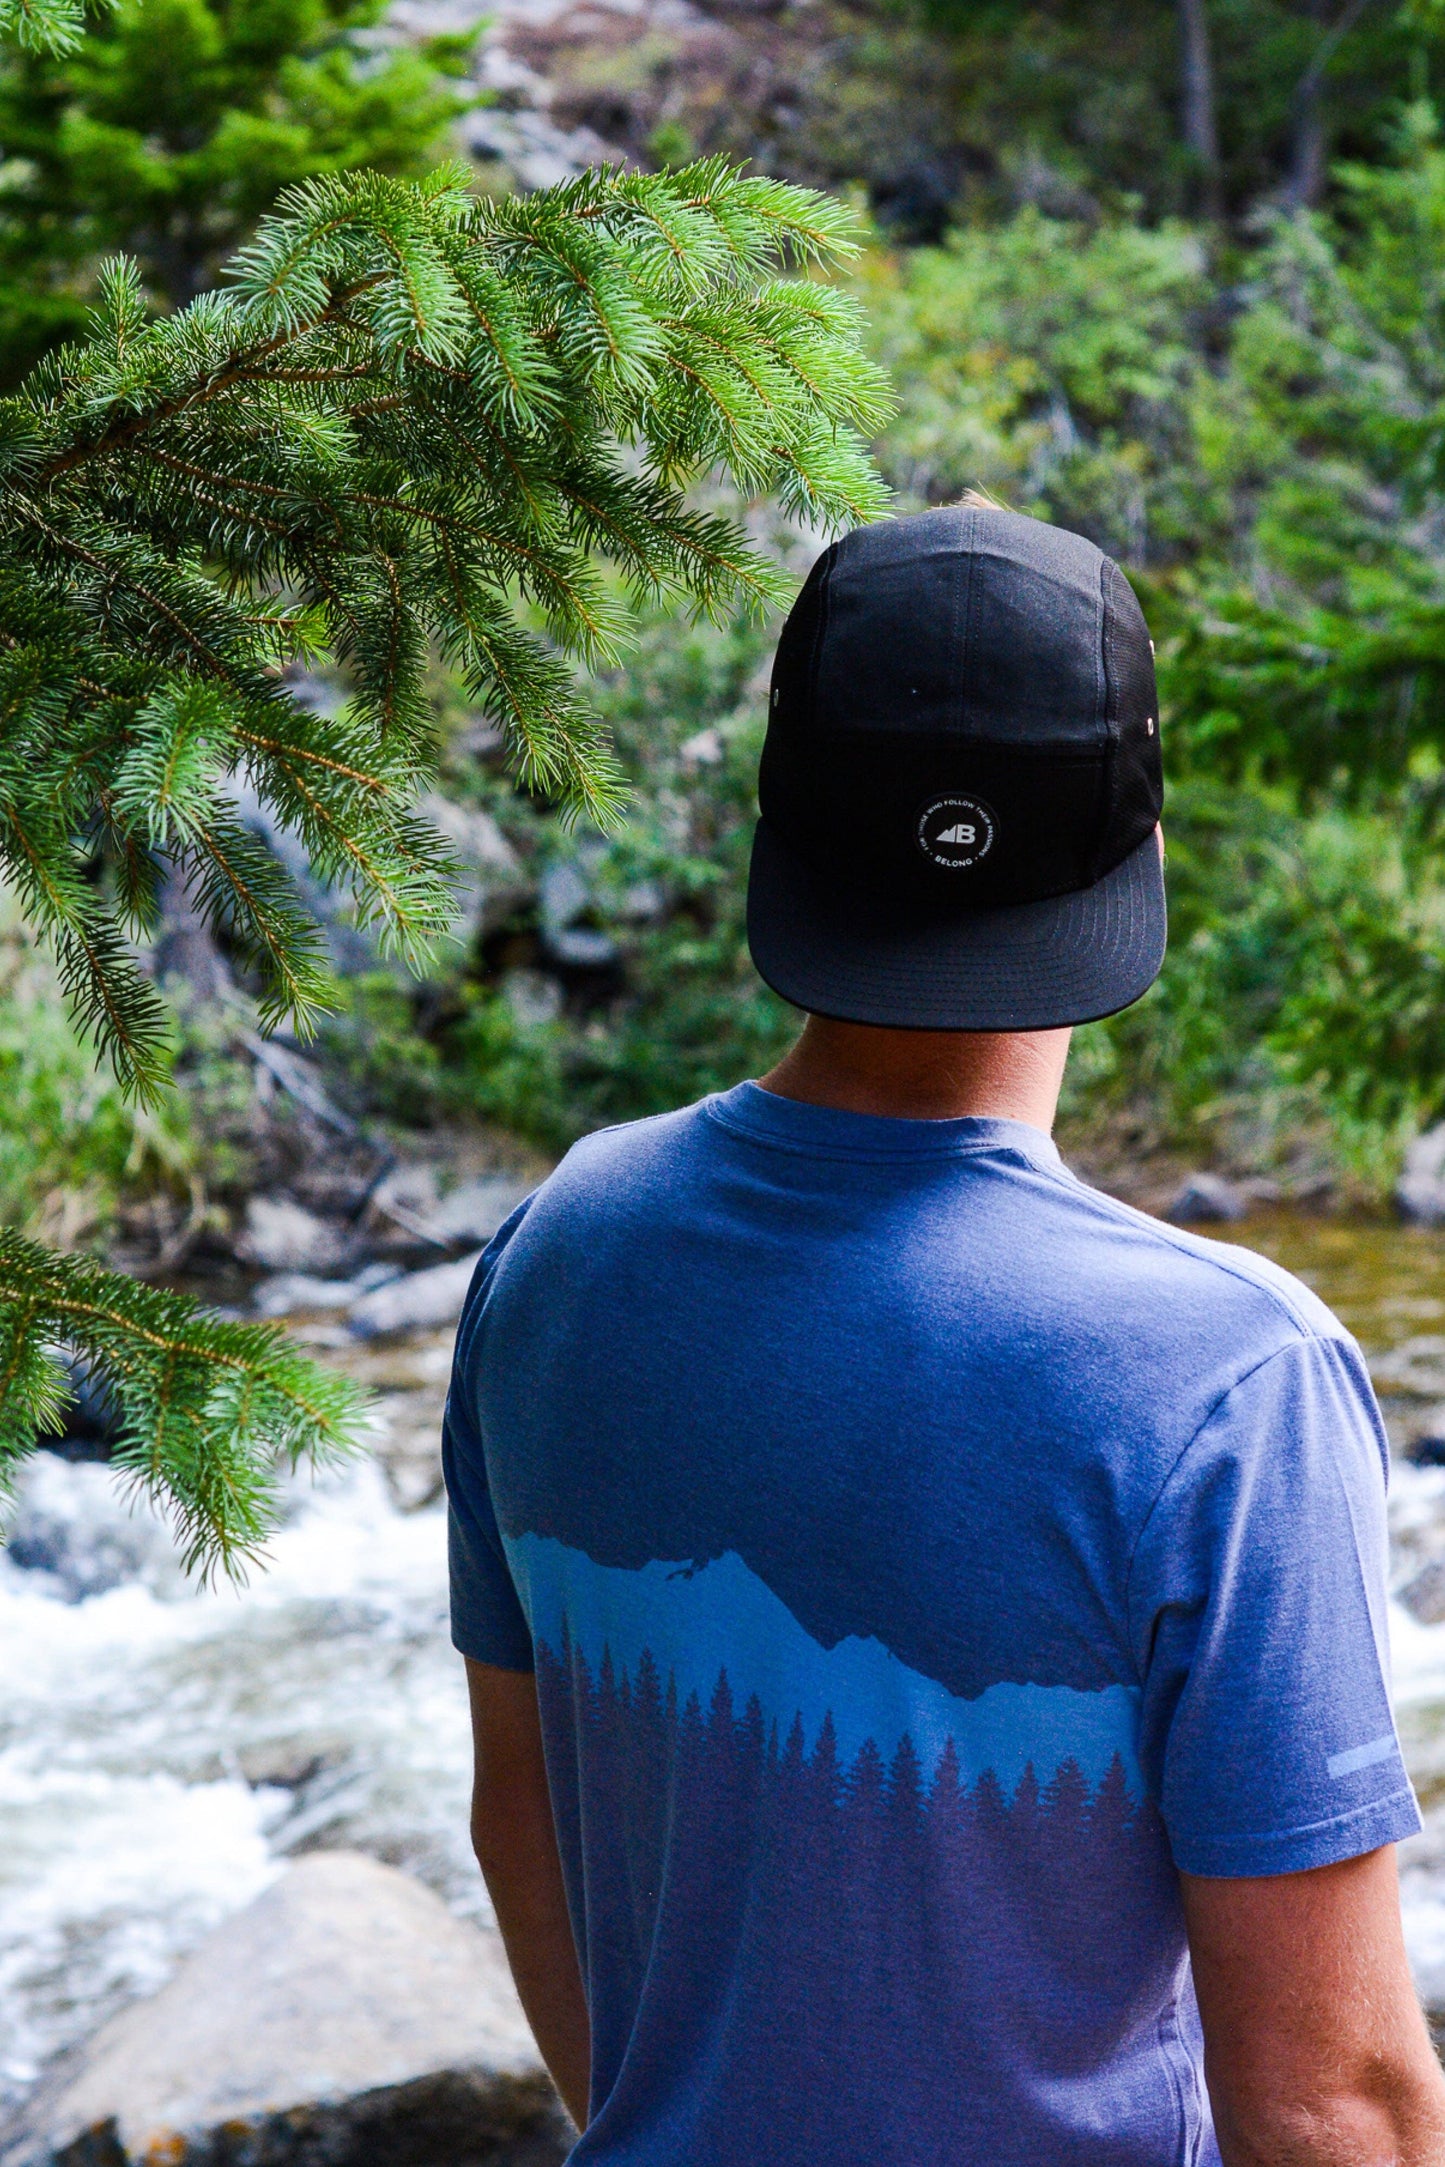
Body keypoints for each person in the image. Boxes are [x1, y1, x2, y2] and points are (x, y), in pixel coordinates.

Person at [443, 505, 1445, 2166]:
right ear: (1139, 852)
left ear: (779, 827)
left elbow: (519, 1825)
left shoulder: (556, 1251)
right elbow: (1331, 2101)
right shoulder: (1224, 1381)